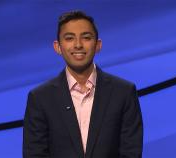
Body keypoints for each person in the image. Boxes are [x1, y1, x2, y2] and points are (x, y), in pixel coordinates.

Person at [23, 10, 143, 158]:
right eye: (69, 38)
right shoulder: (40, 98)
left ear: (98, 45)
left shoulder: (123, 92)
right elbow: (35, 154)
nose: (78, 45)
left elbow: (131, 152)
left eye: (86, 37)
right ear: (57, 47)